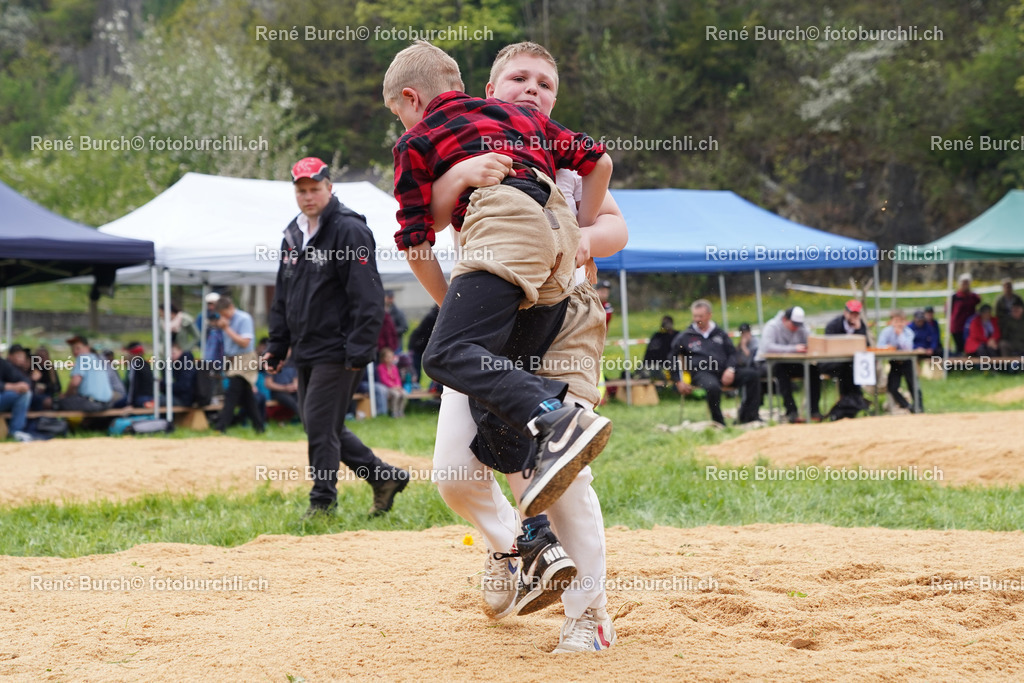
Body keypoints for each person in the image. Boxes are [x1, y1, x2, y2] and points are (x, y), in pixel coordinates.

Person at [422, 42, 628, 653]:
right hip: (493, 316)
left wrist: (570, 237)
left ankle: (589, 615)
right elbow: (419, 228)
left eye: (545, 82)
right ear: (489, 90)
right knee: (456, 474)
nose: (533, 88)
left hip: (567, 315)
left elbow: (616, 227)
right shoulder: (464, 148)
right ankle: (515, 545)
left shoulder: (563, 156)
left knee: (559, 469)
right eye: (519, 77)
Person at [384, 40, 614, 518]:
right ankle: (535, 541)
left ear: (410, 99)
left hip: (510, 239)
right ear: (477, 89)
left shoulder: (415, 141)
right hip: (552, 250)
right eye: (520, 80)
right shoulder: (527, 125)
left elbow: (415, 238)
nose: (531, 90)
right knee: (494, 406)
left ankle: (556, 417)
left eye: (398, 114)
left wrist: (450, 309)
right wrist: (576, 229)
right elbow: (601, 160)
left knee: (447, 353)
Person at [265, 157, 408, 519]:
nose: (309, 196)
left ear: (330, 188)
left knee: (318, 425)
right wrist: (277, 345)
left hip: (341, 348)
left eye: (315, 189)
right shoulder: (292, 233)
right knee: (321, 424)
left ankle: (322, 502)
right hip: (306, 348)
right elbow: (283, 296)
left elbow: (369, 295)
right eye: (302, 190)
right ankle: (384, 477)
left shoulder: (349, 230)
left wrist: (360, 348)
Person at [672, 299, 761, 426]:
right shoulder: (686, 336)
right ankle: (719, 423)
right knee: (712, 386)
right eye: (695, 316)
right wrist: (678, 380)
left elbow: (732, 353)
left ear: (709, 315)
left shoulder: (720, 333)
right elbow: (672, 357)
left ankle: (747, 417)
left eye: (700, 316)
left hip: (724, 371)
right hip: (701, 373)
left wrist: (730, 369)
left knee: (752, 375)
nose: (697, 319)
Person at [755, 306, 822, 423]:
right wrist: (793, 349)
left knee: (813, 370)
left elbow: (812, 339)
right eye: (794, 324)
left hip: (790, 362)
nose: (796, 328)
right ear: (785, 320)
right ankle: (791, 411)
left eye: (798, 325)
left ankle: (814, 410)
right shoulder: (772, 326)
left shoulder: (800, 327)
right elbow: (767, 347)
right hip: (767, 364)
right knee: (781, 370)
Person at [212, 296, 264, 433]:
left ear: (230, 308)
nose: (223, 317)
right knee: (247, 396)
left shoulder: (243, 318)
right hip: (232, 360)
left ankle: (221, 426)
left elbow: (245, 343)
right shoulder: (226, 321)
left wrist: (227, 329)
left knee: (232, 393)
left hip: (245, 359)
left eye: (224, 313)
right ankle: (259, 427)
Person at [819, 300, 872, 415]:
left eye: (856, 314)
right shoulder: (833, 325)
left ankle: (851, 403)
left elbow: (866, 346)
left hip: (850, 365)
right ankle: (854, 401)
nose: (854, 316)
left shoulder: (861, 325)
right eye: (852, 313)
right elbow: (829, 347)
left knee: (850, 368)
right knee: (847, 368)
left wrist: (858, 330)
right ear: (845, 312)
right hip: (830, 363)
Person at [877, 309, 921, 413]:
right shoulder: (886, 332)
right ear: (891, 322)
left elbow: (908, 347)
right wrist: (887, 347)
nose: (899, 324)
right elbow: (880, 346)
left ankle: (920, 408)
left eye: (901, 321)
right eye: (896, 321)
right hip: (894, 362)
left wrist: (900, 334)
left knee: (913, 385)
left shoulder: (908, 332)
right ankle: (907, 406)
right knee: (892, 387)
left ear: (905, 322)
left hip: (907, 362)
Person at [58, 335, 113, 412]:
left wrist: (65, 395)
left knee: (57, 403)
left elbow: (75, 383)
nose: (75, 351)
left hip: (92, 404)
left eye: (78, 348)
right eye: (73, 349)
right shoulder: (96, 358)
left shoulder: (83, 358)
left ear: (87, 347)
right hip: (107, 404)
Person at [1, 356, 34, 441]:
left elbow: (21, 377)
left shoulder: (2, 363)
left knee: (25, 394)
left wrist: (24, 385)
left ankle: (16, 432)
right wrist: (12, 387)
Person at [406, 304, 439, 386]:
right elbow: (429, 334)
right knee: (416, 370)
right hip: (417, 346)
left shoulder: (434, 316)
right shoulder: (432, 317)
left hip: (420, 345)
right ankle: (415, 388)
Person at [264, 349, 300, 419]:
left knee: (302, 397)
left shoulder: (293, 364)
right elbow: (268, 384)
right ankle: (304, 418)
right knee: (290, 401)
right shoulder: (271, 363)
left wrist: (294, 386)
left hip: (291, 390)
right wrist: (285, 388)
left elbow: (296, 380)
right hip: (278, 392)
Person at [159, 342, 197, 406]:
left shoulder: (186, 365)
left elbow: (184, 386)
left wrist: (165, 386)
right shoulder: (174, 364)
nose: (171, 355)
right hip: (177, 397)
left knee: (156, 401)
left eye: (173, 353)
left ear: (180, 351)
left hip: (184, 399)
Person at [950, 273, 980, 355]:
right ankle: (958, 364)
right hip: (958, 326)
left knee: (969, 346)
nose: (965, 285)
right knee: (959, 347)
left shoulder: (973, 296)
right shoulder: (955, 297)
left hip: (970, 326)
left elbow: (978, 302)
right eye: (963, 282)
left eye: (967, 283)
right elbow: (948, 310)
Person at [640, 315, 676, 379]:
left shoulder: (676, 336)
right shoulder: (657, 336)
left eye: (667, 322)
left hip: (668, 366)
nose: (665, 325)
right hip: (653, 365)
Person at [376, 347, 408, 417]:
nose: (390, 359)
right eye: (388, 357)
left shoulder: (394, 367)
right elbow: (384, 379)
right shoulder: (381, 367)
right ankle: (394, 411)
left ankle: (400, 411)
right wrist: (393, 386)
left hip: (396, 387)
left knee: (404, 393)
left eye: (391, 357)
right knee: (396, 395)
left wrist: (399, 386)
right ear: (383, 358)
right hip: (387, 387)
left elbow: (397, 378)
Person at [122, 341, 155, 408]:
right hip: (150, 397)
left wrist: (129, 404)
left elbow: (133, 386)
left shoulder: (135, 365)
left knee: (115, 405)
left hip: (140, 399)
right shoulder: (145, 364)